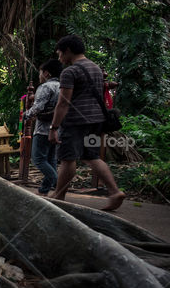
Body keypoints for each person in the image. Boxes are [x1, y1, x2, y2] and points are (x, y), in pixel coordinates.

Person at [47, 35, 125, 211]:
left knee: (68, 158)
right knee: (92, 156)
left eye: (59, 54)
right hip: (96, 121)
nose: (59, 58)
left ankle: (59, 196)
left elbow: (64, 102)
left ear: (67, 51)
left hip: (76, 121)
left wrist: (54, 127)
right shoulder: (95, 68)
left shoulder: (70, 71)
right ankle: (114, 192)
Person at [22, 59, 62, 195]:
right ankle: (44, 189)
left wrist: (26, 115)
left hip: (43, 129)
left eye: (40, 73)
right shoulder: (62, 86)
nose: (39, 76)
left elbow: (38, 107)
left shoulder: (46, 87)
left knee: (38, 159)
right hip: (57, 129)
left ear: (46, 73)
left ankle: (57, 181)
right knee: (51, 160)